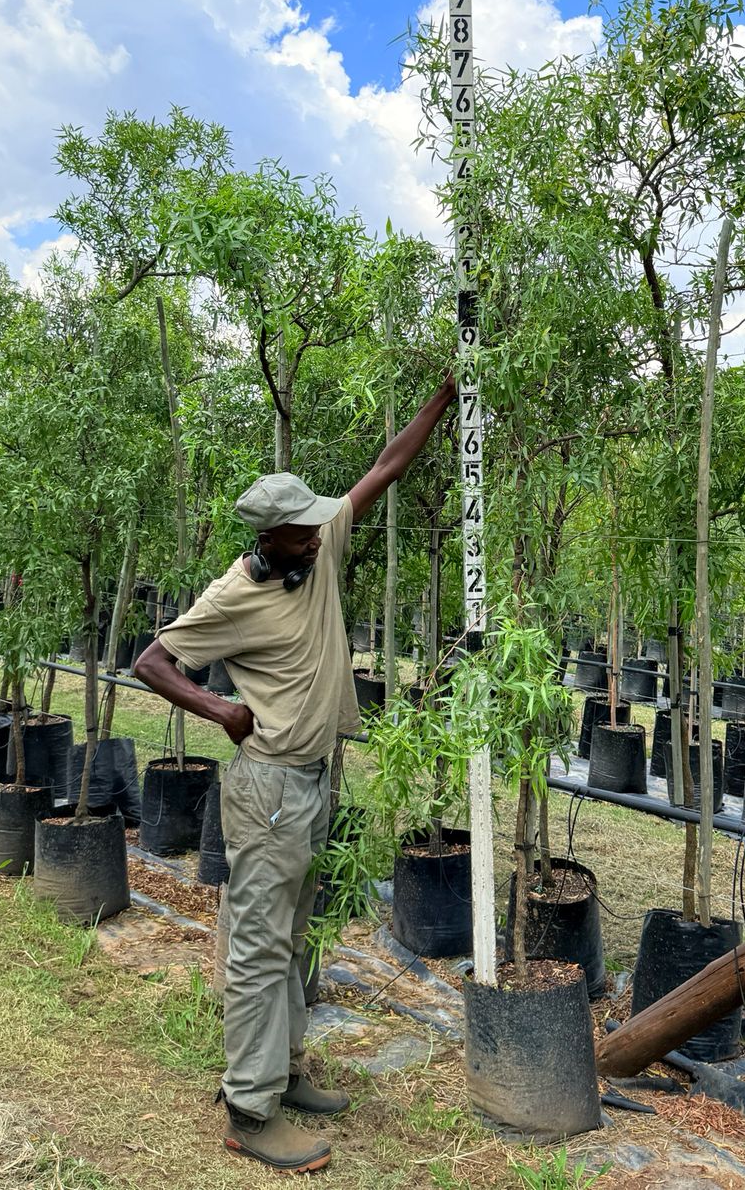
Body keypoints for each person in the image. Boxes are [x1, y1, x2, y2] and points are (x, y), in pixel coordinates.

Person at [133, 375, 456, 1174]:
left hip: (317, 778)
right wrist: (220, 713)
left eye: (317, 524)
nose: (317, 535)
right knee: (257, 943)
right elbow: (152, 661)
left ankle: (284, 1070)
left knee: (298, 934)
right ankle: (248, 1110)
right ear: (267, 537)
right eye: (301, 532)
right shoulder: (233, 595)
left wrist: (441, 399)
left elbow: (382, 470)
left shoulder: (318, 550)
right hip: (269, 786)